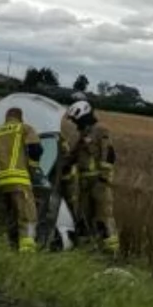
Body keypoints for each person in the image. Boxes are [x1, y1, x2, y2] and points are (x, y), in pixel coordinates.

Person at [59, 100, 119, 255]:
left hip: (99, 183)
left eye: (76, 120)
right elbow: (72, 157)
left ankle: (111, 253)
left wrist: (103, 179)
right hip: (84, 184)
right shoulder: (83, 136)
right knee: (84, 218)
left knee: (103, 218)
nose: (75, 124)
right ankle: (89, 251)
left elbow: (109, 155)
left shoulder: (101, 131)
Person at [0, 107, 42, 253]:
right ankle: (27, 250)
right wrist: (33, 169)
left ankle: (1, 249)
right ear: (20, 117)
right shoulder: (23, 128)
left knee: (3, 218)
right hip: (20, 180)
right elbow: (36, 149)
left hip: (0, 182)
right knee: (28, 216)